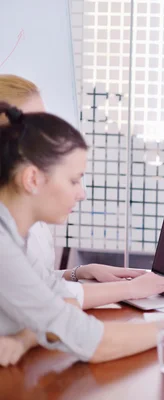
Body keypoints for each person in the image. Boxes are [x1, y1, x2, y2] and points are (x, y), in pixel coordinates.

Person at [0, 102, 164, 364]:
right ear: (32, 179)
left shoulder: (16, 240)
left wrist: (26, 337)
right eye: (74, 180)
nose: (81, 193)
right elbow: (95, 344)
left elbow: (64, 305)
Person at [0, 74, 151, 285]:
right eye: (33, 124)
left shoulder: (28, 210)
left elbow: (30, 286)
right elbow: (47, 306)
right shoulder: (11, 219)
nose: (44, 132)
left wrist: (78, 272)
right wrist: (134, 289)